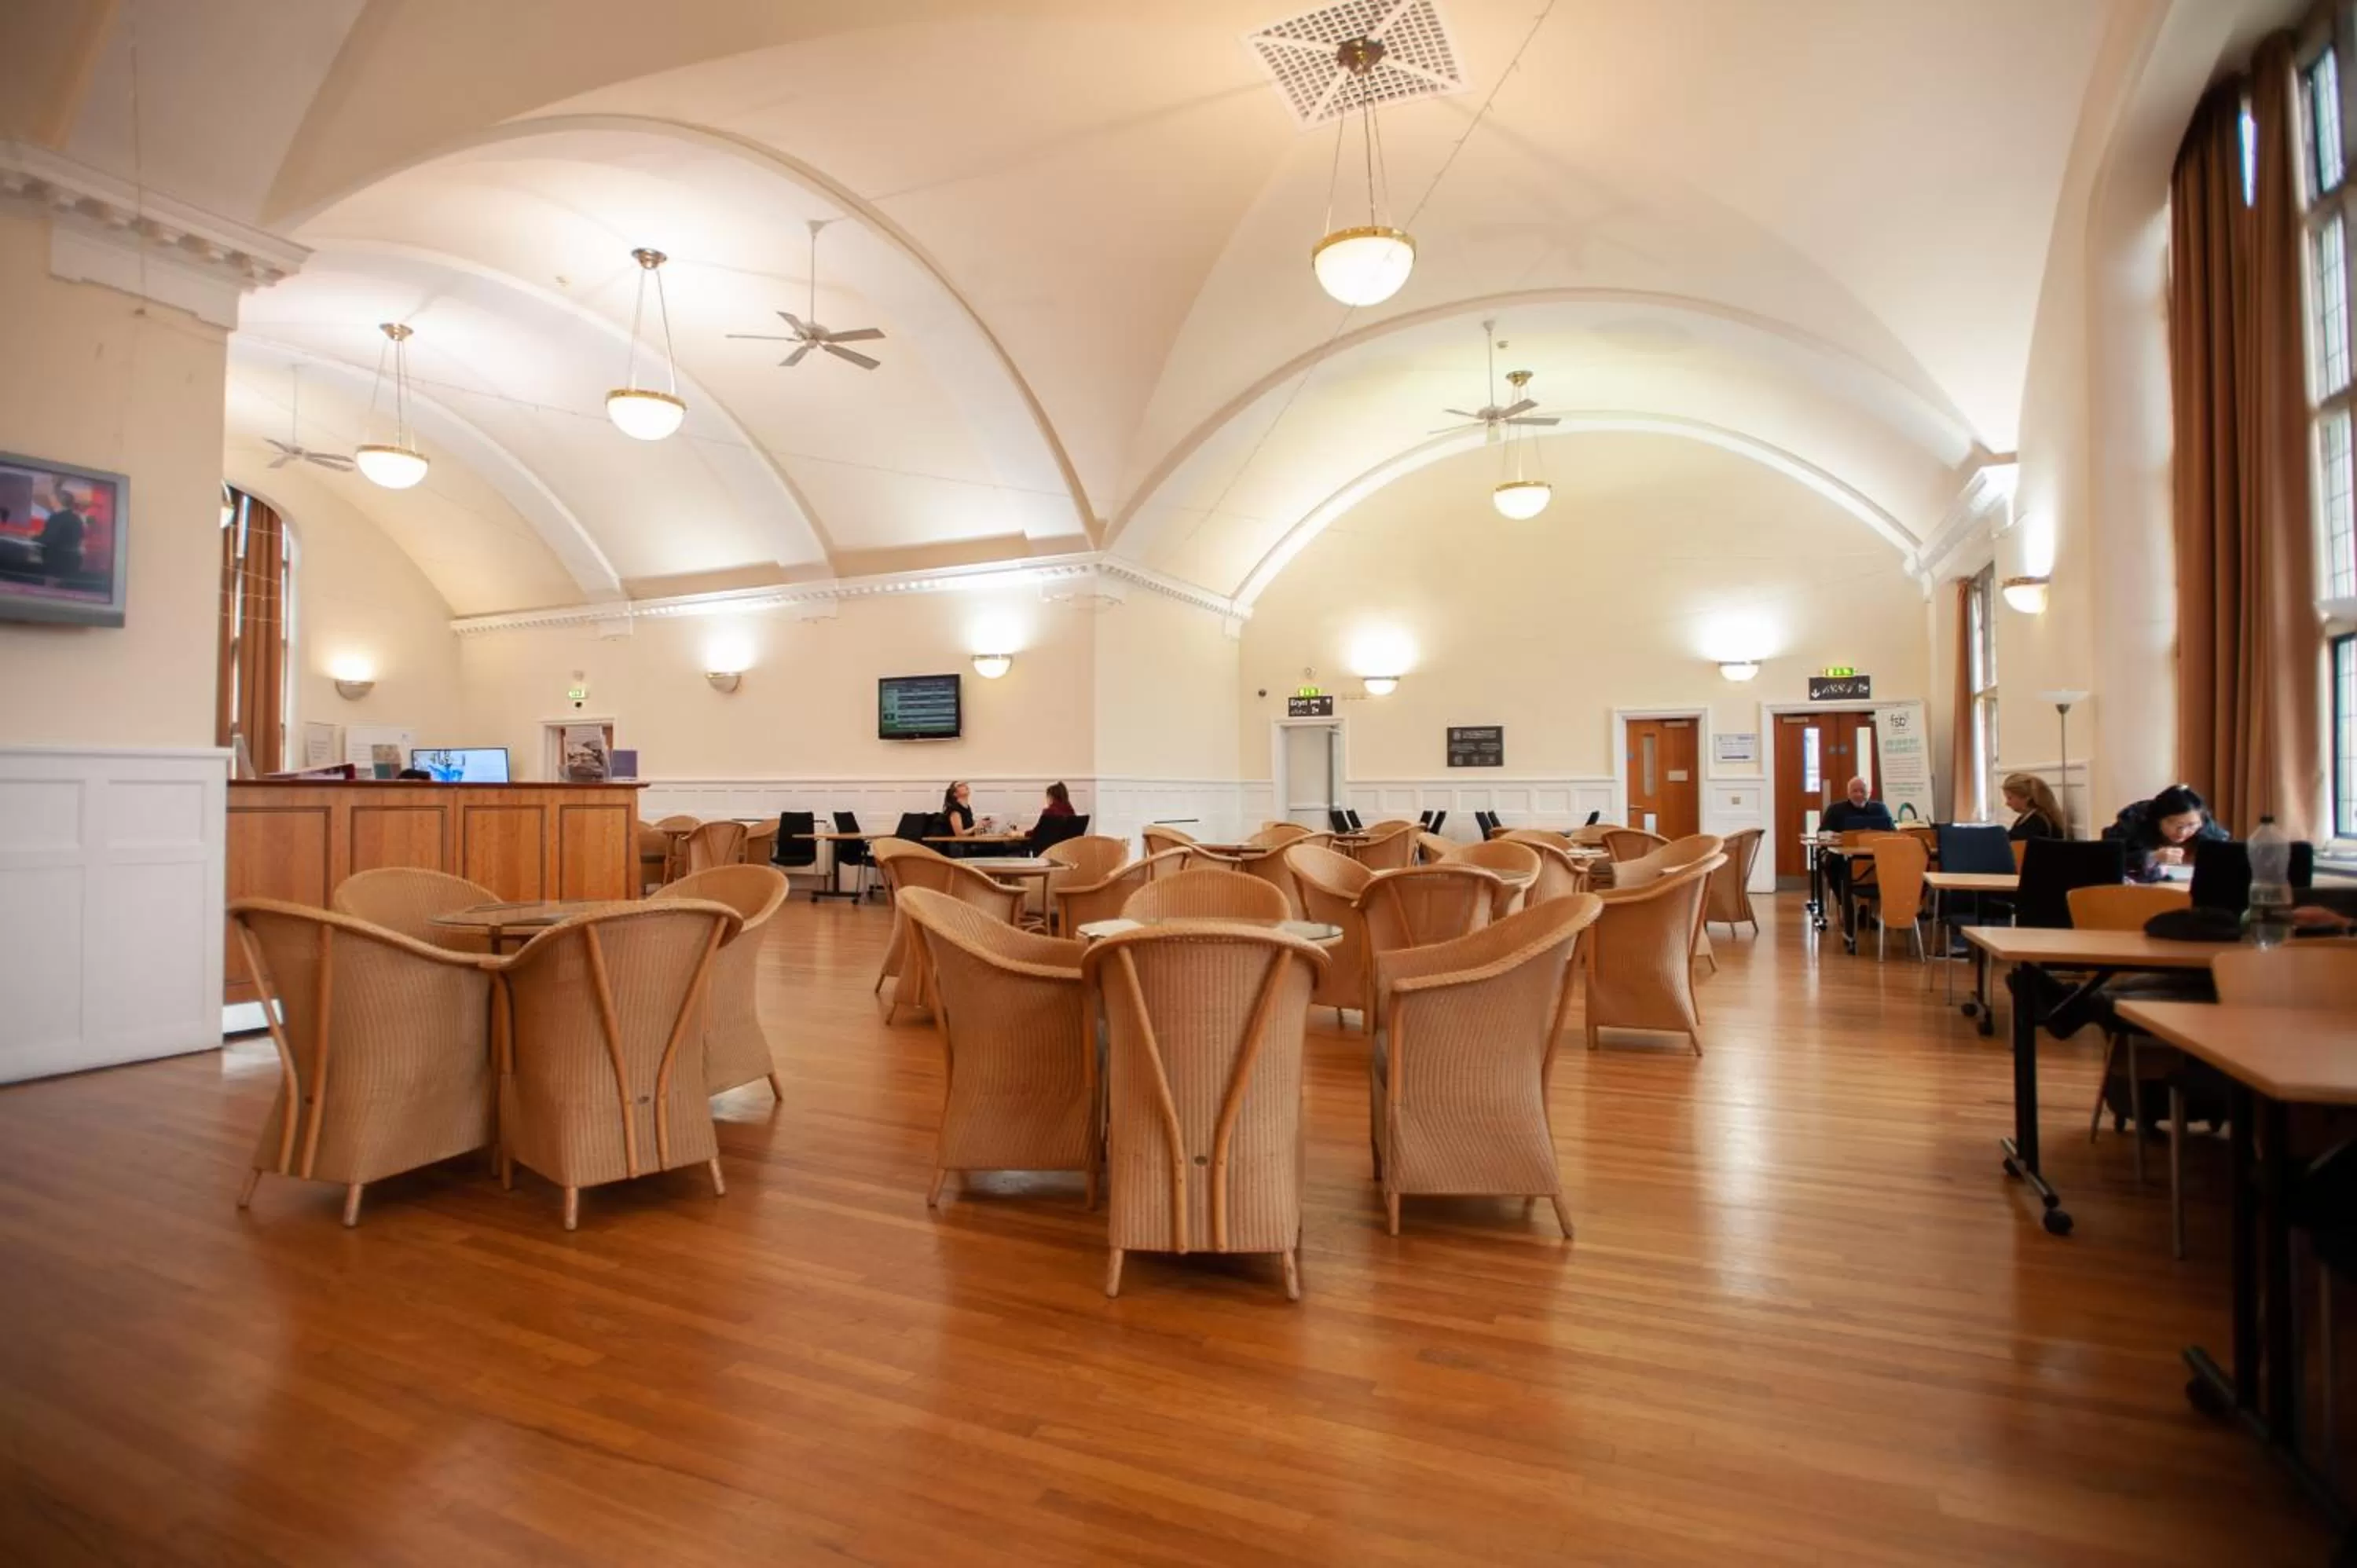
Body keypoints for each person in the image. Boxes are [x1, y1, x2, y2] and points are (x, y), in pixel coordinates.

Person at [2102, 782, 2228, 882]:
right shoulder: (2136, 820)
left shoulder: (2206, 828)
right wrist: (2151, 857)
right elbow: (2108, 859)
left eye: (2191, 825)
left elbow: (2224, 857)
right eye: (2174, 824)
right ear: (2158, 819)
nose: (2183, 832)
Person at [1817, 778, 1893, 933]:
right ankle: (1847, 906)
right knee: (1831, 864)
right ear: (1848, 793)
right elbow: (1822, 834)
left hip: (1874, 859)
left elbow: (1893, 832)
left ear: (1869, 793)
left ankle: (1871, 909)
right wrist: (1838, 837)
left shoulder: (1880, 809)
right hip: (1842, 857)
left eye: (1862, 791)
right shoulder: (1836, 809)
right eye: (1855, 791)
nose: (1859, 795)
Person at [38, 487, 86, 581]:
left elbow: (49, 539)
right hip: (72, 563)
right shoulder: (77, 519)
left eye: (53, 499)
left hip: (57, 562)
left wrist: (34, 540)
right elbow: (80, 538)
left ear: (58, 502)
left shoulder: (56, 518)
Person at [2000, 773, 2065, 840]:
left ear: (2027, 797)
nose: (2007, 803)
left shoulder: (2036, 823)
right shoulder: (2027, 819)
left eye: (2010, 798)